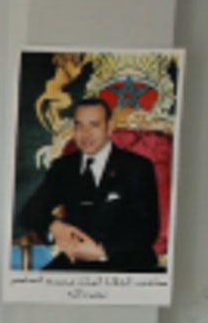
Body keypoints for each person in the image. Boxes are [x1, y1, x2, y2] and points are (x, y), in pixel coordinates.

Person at [15, 97, 162, 272]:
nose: (85, 133)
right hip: (76, 261)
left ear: (109, 127)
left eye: (94, 125)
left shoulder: (136, 167)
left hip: (126, 261)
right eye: (79, 125)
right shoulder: (64, 167)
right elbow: (29, 212)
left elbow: (147, 229)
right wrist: (54, 227)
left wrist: (101, 251)